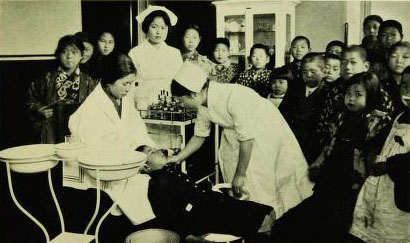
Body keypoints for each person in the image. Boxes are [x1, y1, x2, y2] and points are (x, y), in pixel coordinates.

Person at [66, 53, 276, 242]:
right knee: (176, 192)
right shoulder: (88, 114)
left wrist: (148, 149)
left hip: (137, 165)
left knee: (192, 192)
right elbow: (97, 156)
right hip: (115, 176)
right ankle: (250, 220)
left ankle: (255, 215)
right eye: (125, 84)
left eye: (132, 84)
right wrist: (142, 160)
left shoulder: (122, 97)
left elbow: (137, 131)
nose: (129, 89)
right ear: (108, 81)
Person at [168, 62, 314, 226]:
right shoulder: (202, 103)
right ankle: (256, 221)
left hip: (265, 133)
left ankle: (272, 222)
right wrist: (178, 157)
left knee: (263, 181)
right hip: (240, 137)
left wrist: (240, 175)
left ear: (192, 94)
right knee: (245, 187)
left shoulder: (233, 97)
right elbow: (199, 136)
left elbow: (247, 139)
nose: (180, 105)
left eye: (180, 100)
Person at [273, 72, 393, 243]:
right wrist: (318, 164)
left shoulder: (378, 122)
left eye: (358, 95)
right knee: (291, 223)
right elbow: (330, 145)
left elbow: (371, 157)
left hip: (354, 188)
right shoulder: (341, 116)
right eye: (348, 94)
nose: (351, 99)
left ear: (372, 96)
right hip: (330, 180)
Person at [350, 66, 410, 243]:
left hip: (402, 190)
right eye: (405, 85)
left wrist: (388, 165)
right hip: (380, 188)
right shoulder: (400, 115)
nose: (408, 91)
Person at [26, 34, 98, 144]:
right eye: (64, 52)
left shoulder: (88, 81)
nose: (69, 56)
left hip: (79, 129)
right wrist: (39, 110)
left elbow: (96, 106)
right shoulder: (46, 78)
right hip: (52, 129)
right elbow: (30, 99)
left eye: (74, 52)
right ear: (58, 54)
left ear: (81, 55)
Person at [128, 5, 183, 110]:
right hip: (142, 104)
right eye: (154, 27)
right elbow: (129, 84)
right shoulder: (135, 53)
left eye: (163, 28)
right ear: (146, 27)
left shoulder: (174, 53)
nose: (158, 32)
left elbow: (180, 84)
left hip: (169, 105)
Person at [279, 53, 327, 163]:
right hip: (292, 142)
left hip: (315, 147)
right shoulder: (295, 89)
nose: (308, 75)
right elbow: (283, 114)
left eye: (313, 71)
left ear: (323, 72)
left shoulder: (328, 93)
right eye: (304, 72)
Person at [381, 41, 410, 117]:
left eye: (405, 57)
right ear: (388, 58)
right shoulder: (381, 85)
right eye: (394, 56)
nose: (399, 61)